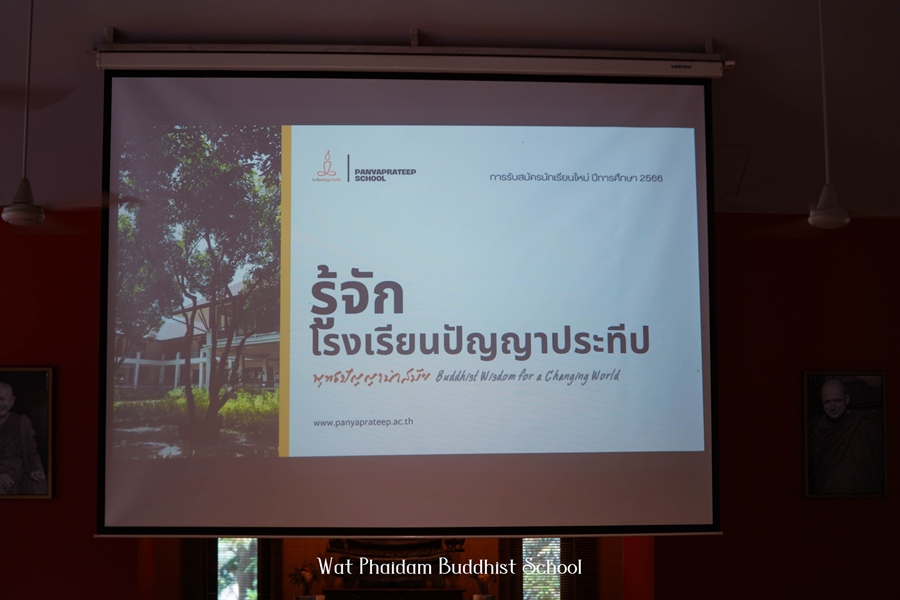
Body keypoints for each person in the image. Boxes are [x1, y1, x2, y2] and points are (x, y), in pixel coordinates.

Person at [809, 378, 884, 495]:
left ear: (847, 399)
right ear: (822, 401)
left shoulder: (864, 424)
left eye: (837, 401)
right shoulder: (820, 428)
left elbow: (880, 464)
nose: (832, 406)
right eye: (827, 402)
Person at [0, 382, 47, 495]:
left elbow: (32, 451)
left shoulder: (21, 422)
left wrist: (37, 470)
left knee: (42, 489)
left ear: (12, 401)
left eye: (2, 399)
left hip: (19, 476)